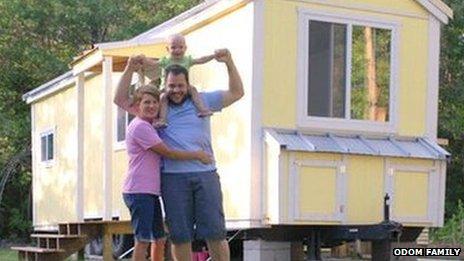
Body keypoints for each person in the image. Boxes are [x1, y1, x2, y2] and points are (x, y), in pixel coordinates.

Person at [114, 48, 244, 261]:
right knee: (180, 236)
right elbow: (120, 99)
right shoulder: (156, 107)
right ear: (165, 85)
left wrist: (229, 62)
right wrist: (129, 68)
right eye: (172, 86)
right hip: (173, 178)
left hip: (206, 174)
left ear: (188, 85)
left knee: (215, 232)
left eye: (180, 86)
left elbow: (237, 93)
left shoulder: (203, 100)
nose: (176, 90)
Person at [115, 68, 213, 261]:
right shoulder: (140, 127)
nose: (151, 106)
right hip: (138, 191)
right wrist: (197, 155)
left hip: (149, 192)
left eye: (154, 102)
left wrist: (177, 93)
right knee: (142, 239)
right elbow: (167, 153)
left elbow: (170, 98)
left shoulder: (151, 124)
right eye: (146, 102)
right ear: (137, 105)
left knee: (159, 238)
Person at [143, 34, 216, 127]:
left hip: (184, 87)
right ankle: (162, 119)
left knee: (193, 90)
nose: (177, 50)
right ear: (167, 49)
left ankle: (202, 109)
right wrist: (143, 59)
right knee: (163, 97)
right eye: (173, 47)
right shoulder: (166, 60)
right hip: (166, 88)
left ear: (185, 48)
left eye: (180, 47)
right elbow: (153, 63)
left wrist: (213, 56)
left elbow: (201, 60)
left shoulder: (187, 59)